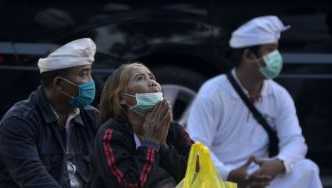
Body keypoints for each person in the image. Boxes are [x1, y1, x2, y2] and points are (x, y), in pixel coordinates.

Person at [187, 16, 322, 188]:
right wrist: (230, 174)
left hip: (260, 176)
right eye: (270, 50)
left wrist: (279, 164)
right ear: (249, 55)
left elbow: (295, 141)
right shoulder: (212, 92)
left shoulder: (278, 94)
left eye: (276, 50)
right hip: (221, 178)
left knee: (308, 169)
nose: (276, 57)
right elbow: (196, 147)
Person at [0, 38, 99, 187]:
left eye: (90, 73)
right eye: (84, 74)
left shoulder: (92, 117)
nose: (91, 81)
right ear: (58, 83)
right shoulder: (19, 120)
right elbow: (32, 177)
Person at [90, 63, 193, 188]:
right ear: (122, 98)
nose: (152, 83)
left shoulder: (174, 130)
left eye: (152, 78)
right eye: (140, 78)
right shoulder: (110, 134)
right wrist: (151, 142)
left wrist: (162, 146)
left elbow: (194, 174)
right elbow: (130, 184)